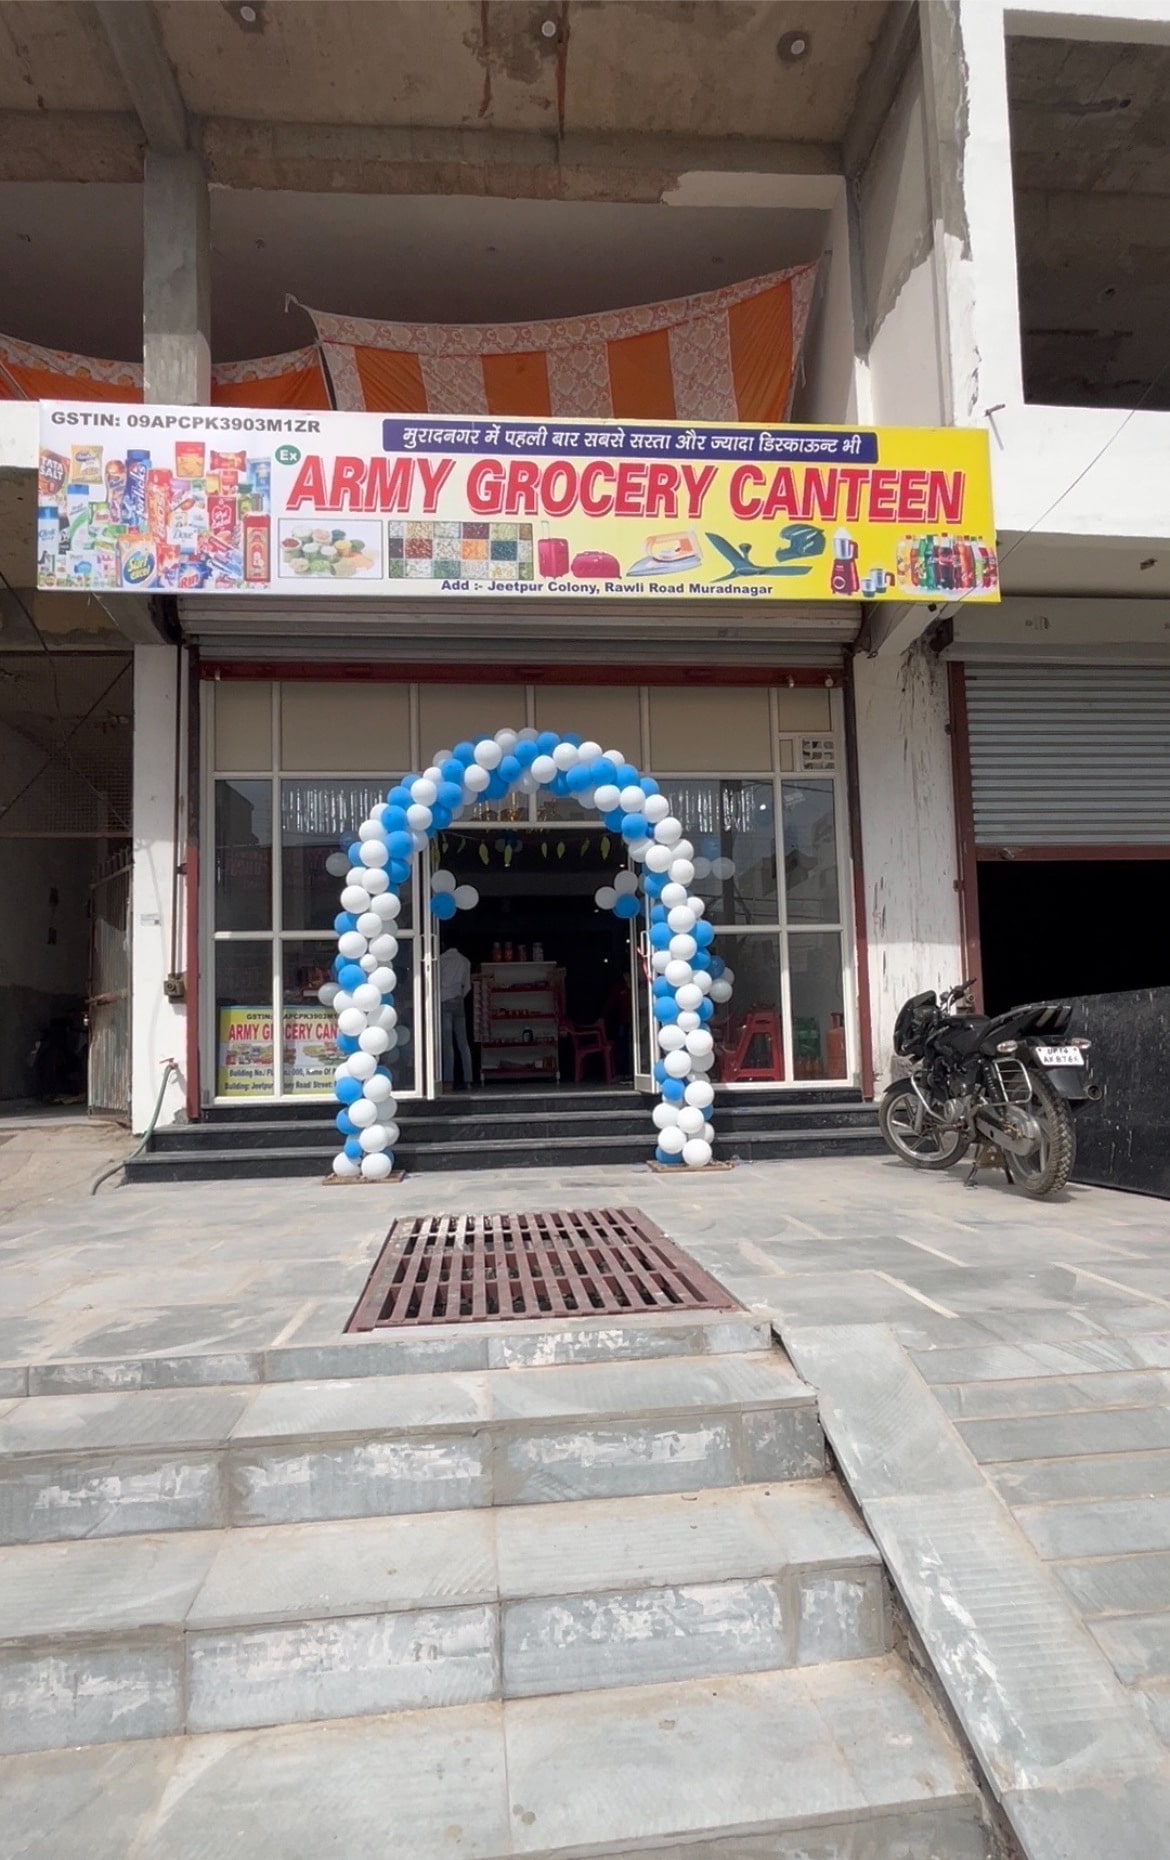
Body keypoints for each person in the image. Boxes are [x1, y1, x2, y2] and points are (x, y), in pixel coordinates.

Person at [439, 942, 474, 1088]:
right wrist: (459, 996)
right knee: (463, 1043)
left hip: (444, 1001)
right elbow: (468, 986)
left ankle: (448, 1080)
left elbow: (436, 982)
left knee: (448, 1044)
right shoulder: (465, 960)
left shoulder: (440, 960)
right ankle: (469, 1079)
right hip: (459, 1001)